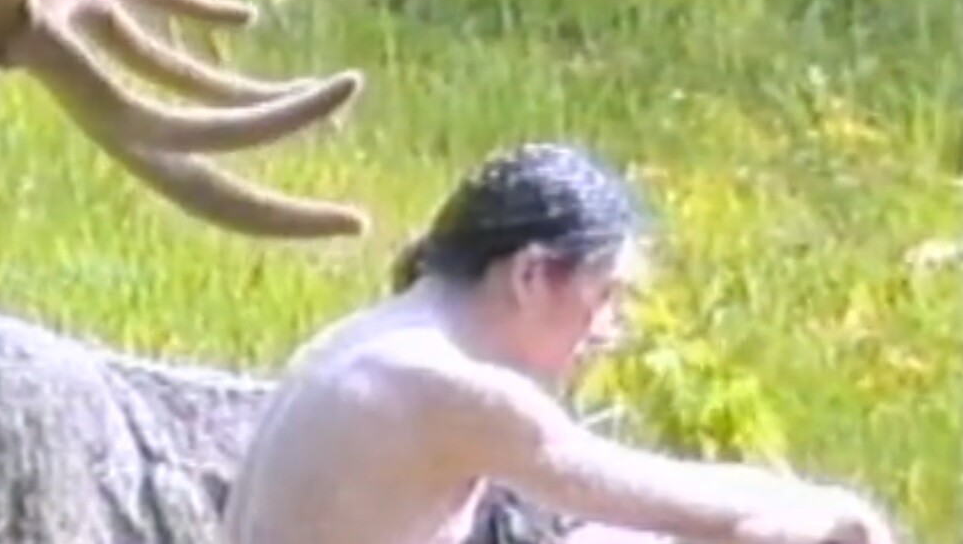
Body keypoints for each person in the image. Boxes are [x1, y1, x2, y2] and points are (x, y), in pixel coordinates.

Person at [220, 141, 899, 544]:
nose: (609, 326)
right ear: (530, 273)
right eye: (604, 293)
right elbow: (666, 499)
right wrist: (831, 510)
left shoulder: (372, 337)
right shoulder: (450, 384)